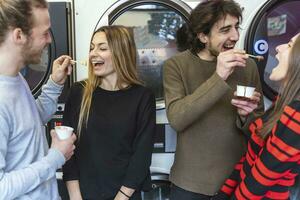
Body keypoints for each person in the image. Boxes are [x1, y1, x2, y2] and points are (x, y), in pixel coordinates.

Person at [163, 0, 265, 199]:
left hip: (238, 181)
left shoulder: (248, 66)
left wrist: (246, 116)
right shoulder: (176, 66)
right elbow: (177, 119)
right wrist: (219, 77)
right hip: (189, 184)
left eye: (236, 27)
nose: (235, 36)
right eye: (225, 30)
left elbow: (259, 128)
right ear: (203, 36)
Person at [62, 25, 156, 200]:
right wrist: (76, 197)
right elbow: (66, 150)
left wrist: (121, 197)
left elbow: (141, 157)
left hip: (124, 196)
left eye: (102, 48)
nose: (93, 54)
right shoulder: (78, 92)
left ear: (121, 53)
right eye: (92, 48)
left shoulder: (142, 97)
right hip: (81, 194)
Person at [0, 0, 76, 199]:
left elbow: (30, 120)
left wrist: (54, 84)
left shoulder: (15, 78)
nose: (50, 39)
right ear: (19, 36)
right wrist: (55, 157)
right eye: (44, 33)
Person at [214, 33, 300, 200]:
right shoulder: (283, 102)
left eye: (289, 45)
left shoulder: (296, 115)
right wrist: (223, 194)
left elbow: (258, 182)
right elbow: (250, 158)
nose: (278, 47)